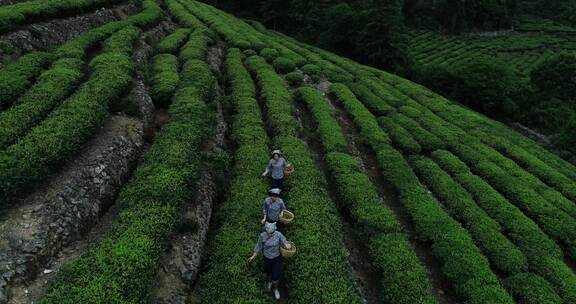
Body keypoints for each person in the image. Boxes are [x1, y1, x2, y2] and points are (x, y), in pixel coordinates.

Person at [248, 222, 288, 300]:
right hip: (267, 258)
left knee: (276, 275)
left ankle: (275, 289)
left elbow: (284, 240)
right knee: (268, 272)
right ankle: (269, 282)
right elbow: (258, 245)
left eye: (272, 233)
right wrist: (254, 255)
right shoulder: (262, 236)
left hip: (276, 257)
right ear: (266, 230)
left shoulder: (278, 234)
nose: (270, 234)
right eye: (268, 233)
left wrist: (286, 244)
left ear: (274, 230)